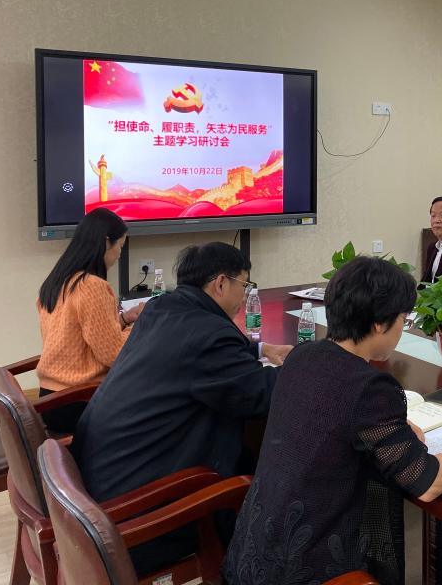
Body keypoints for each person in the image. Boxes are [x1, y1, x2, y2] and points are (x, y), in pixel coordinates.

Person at [222, 256, 442, 585]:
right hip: (307, 568)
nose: (402, 328)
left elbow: (332, 424)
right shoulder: (369, 388)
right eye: (402, 319)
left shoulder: (302, 356)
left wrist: (391, 434)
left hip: (253, 556)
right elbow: (428, 485)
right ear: (380, 324)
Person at [72, 242, 291, 574]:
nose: (243, 296)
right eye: (244, 285)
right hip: (140, 522)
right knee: (267, 487)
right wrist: (308, 367)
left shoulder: (162, 309)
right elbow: (260, 396)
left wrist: (262, 349)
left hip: (99, 492)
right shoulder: (208, 335)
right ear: (221, 283)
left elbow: (200, 353)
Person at [36, 208, 142, 432]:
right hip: (80, 400)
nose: (120, 253)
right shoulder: (92, 286)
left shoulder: (57, 281)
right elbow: (114, 355)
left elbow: (81, 335)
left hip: (50, 399)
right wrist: (142, 325)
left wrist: (124, 319)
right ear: (106, 243)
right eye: (120, 245)